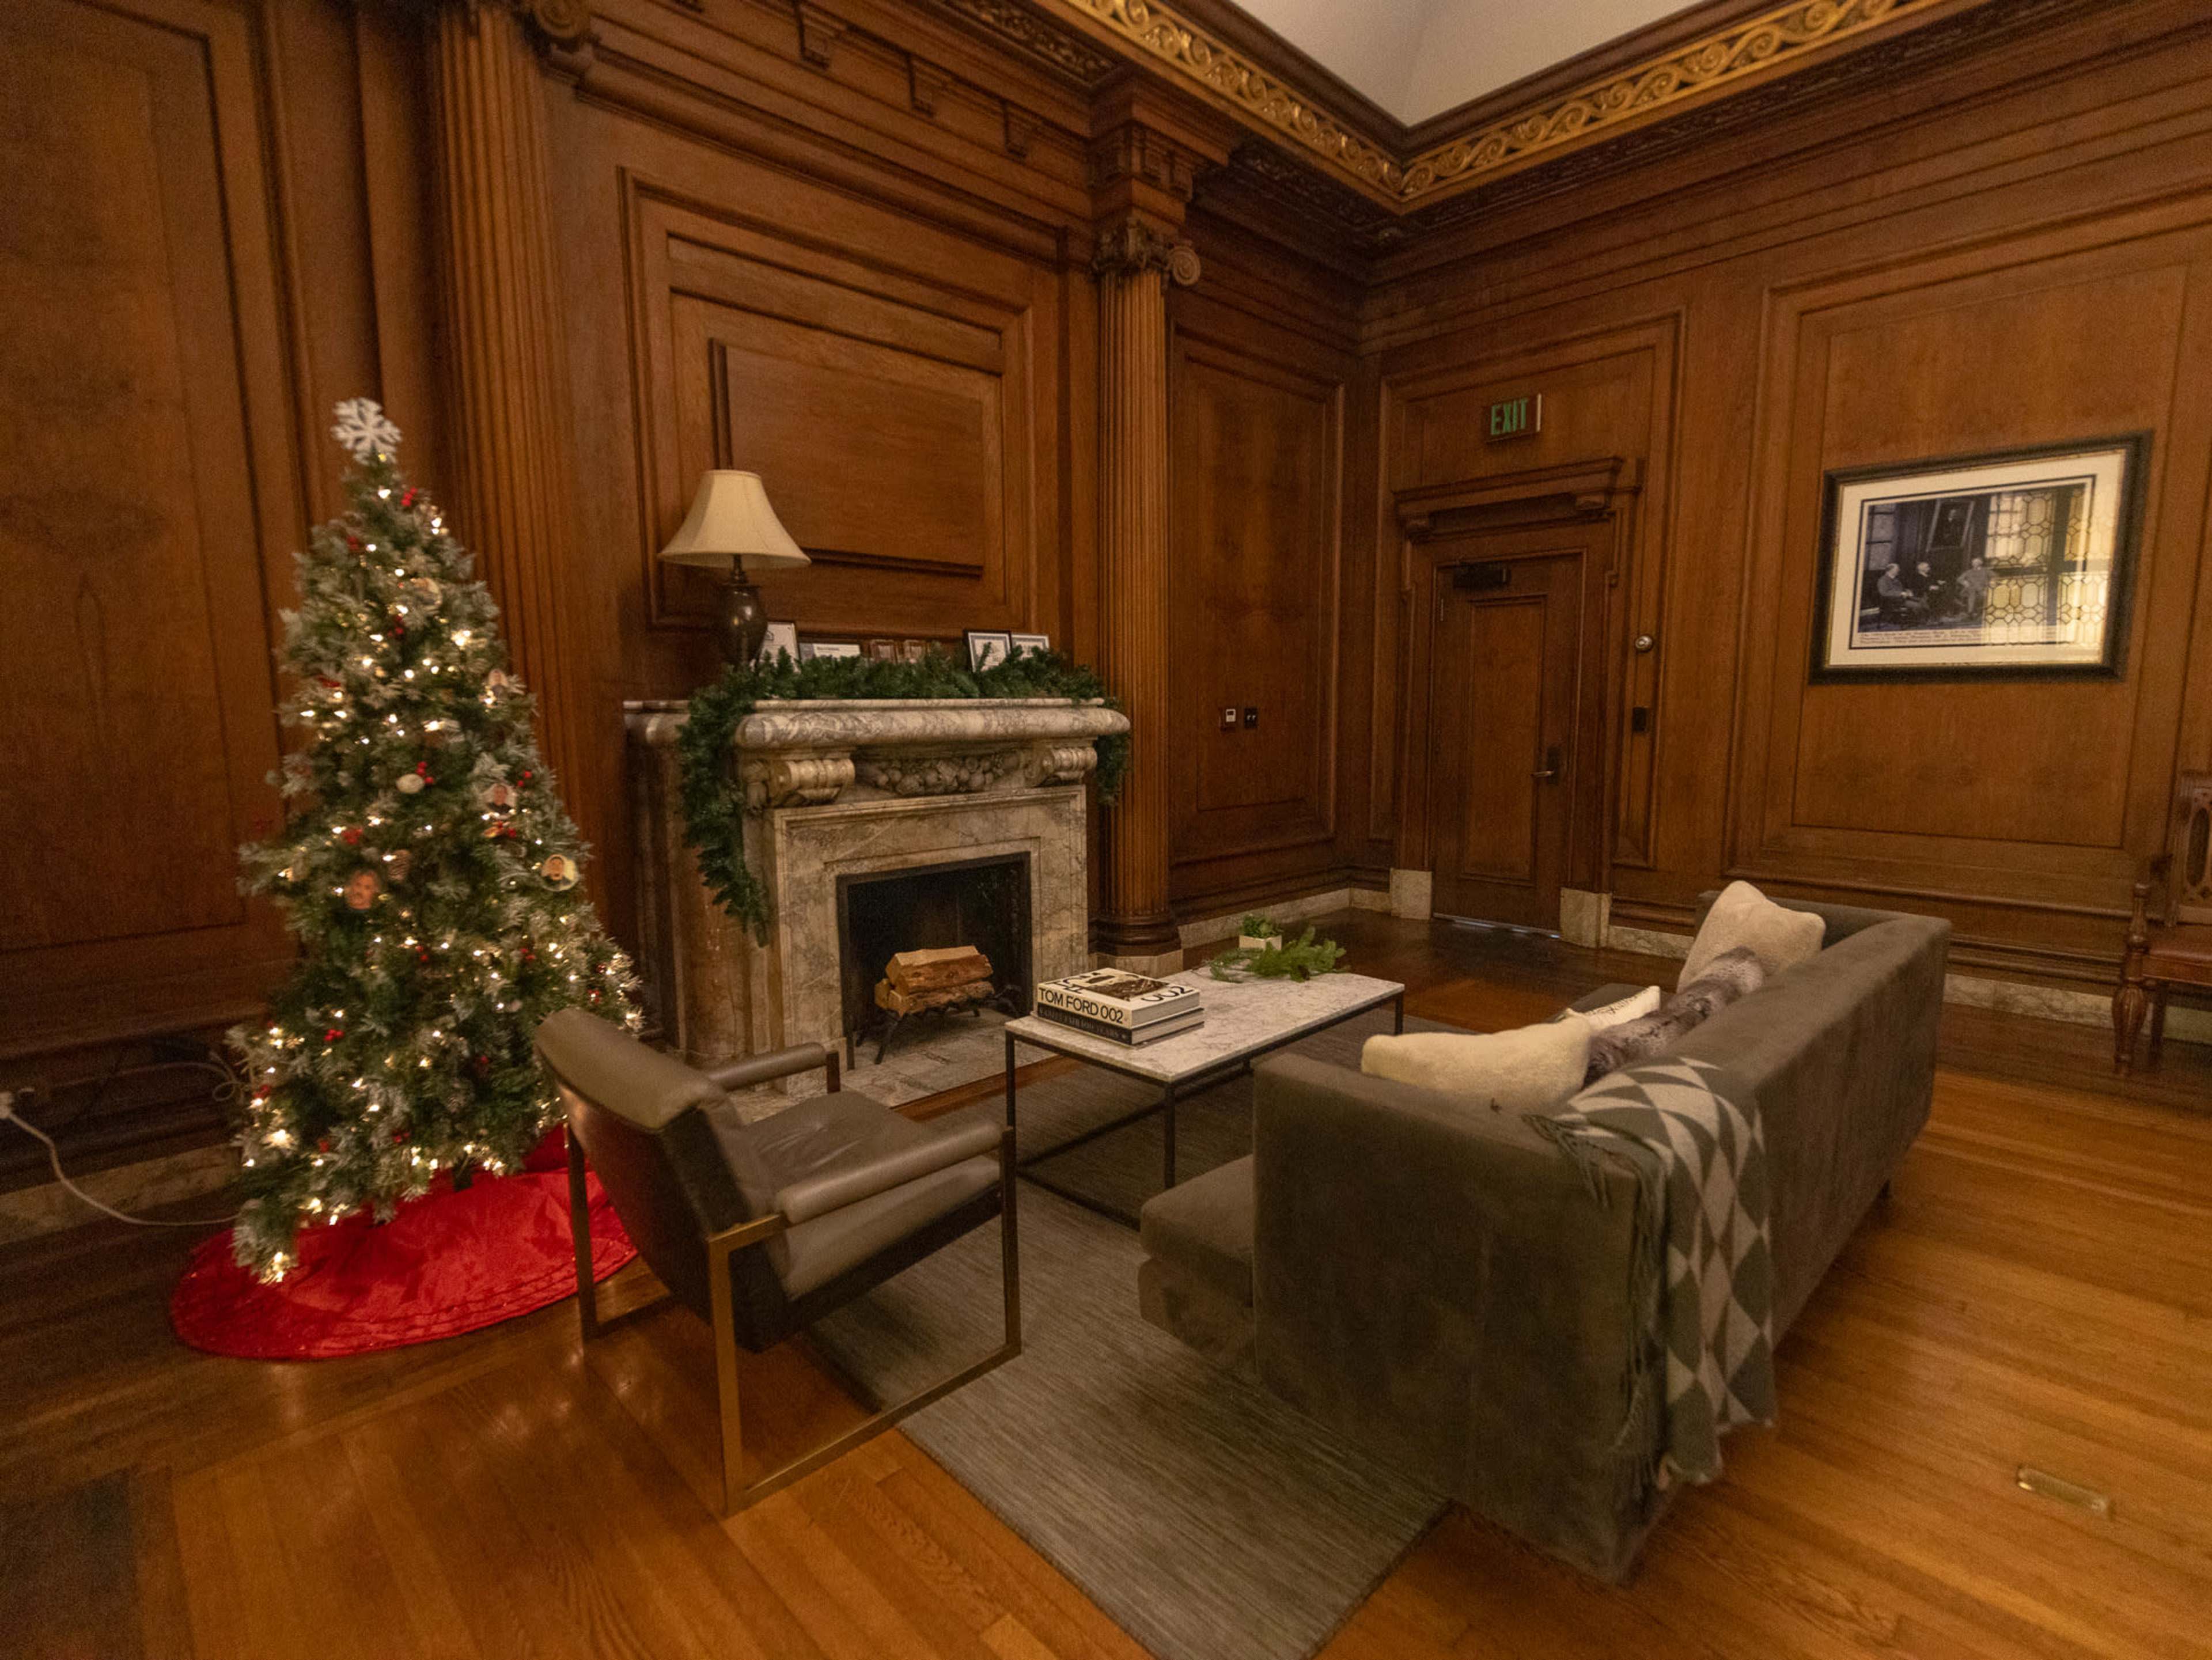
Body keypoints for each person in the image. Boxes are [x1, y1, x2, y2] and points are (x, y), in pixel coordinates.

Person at [1957, 555, 1992, 622]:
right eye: (1973, 563)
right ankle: (1970, 613)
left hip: (1983, 590)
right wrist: (1965, 582)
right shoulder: (1969, 572)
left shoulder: (1986, 571)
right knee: (1972, 591)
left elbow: (1995, 577)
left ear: (1981, 563)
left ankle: (1973, 613)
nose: (1974, 564)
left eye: (1976, 563)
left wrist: (1990, 584)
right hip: (1971, 590)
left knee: (1981, 594)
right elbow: (1959, 579)